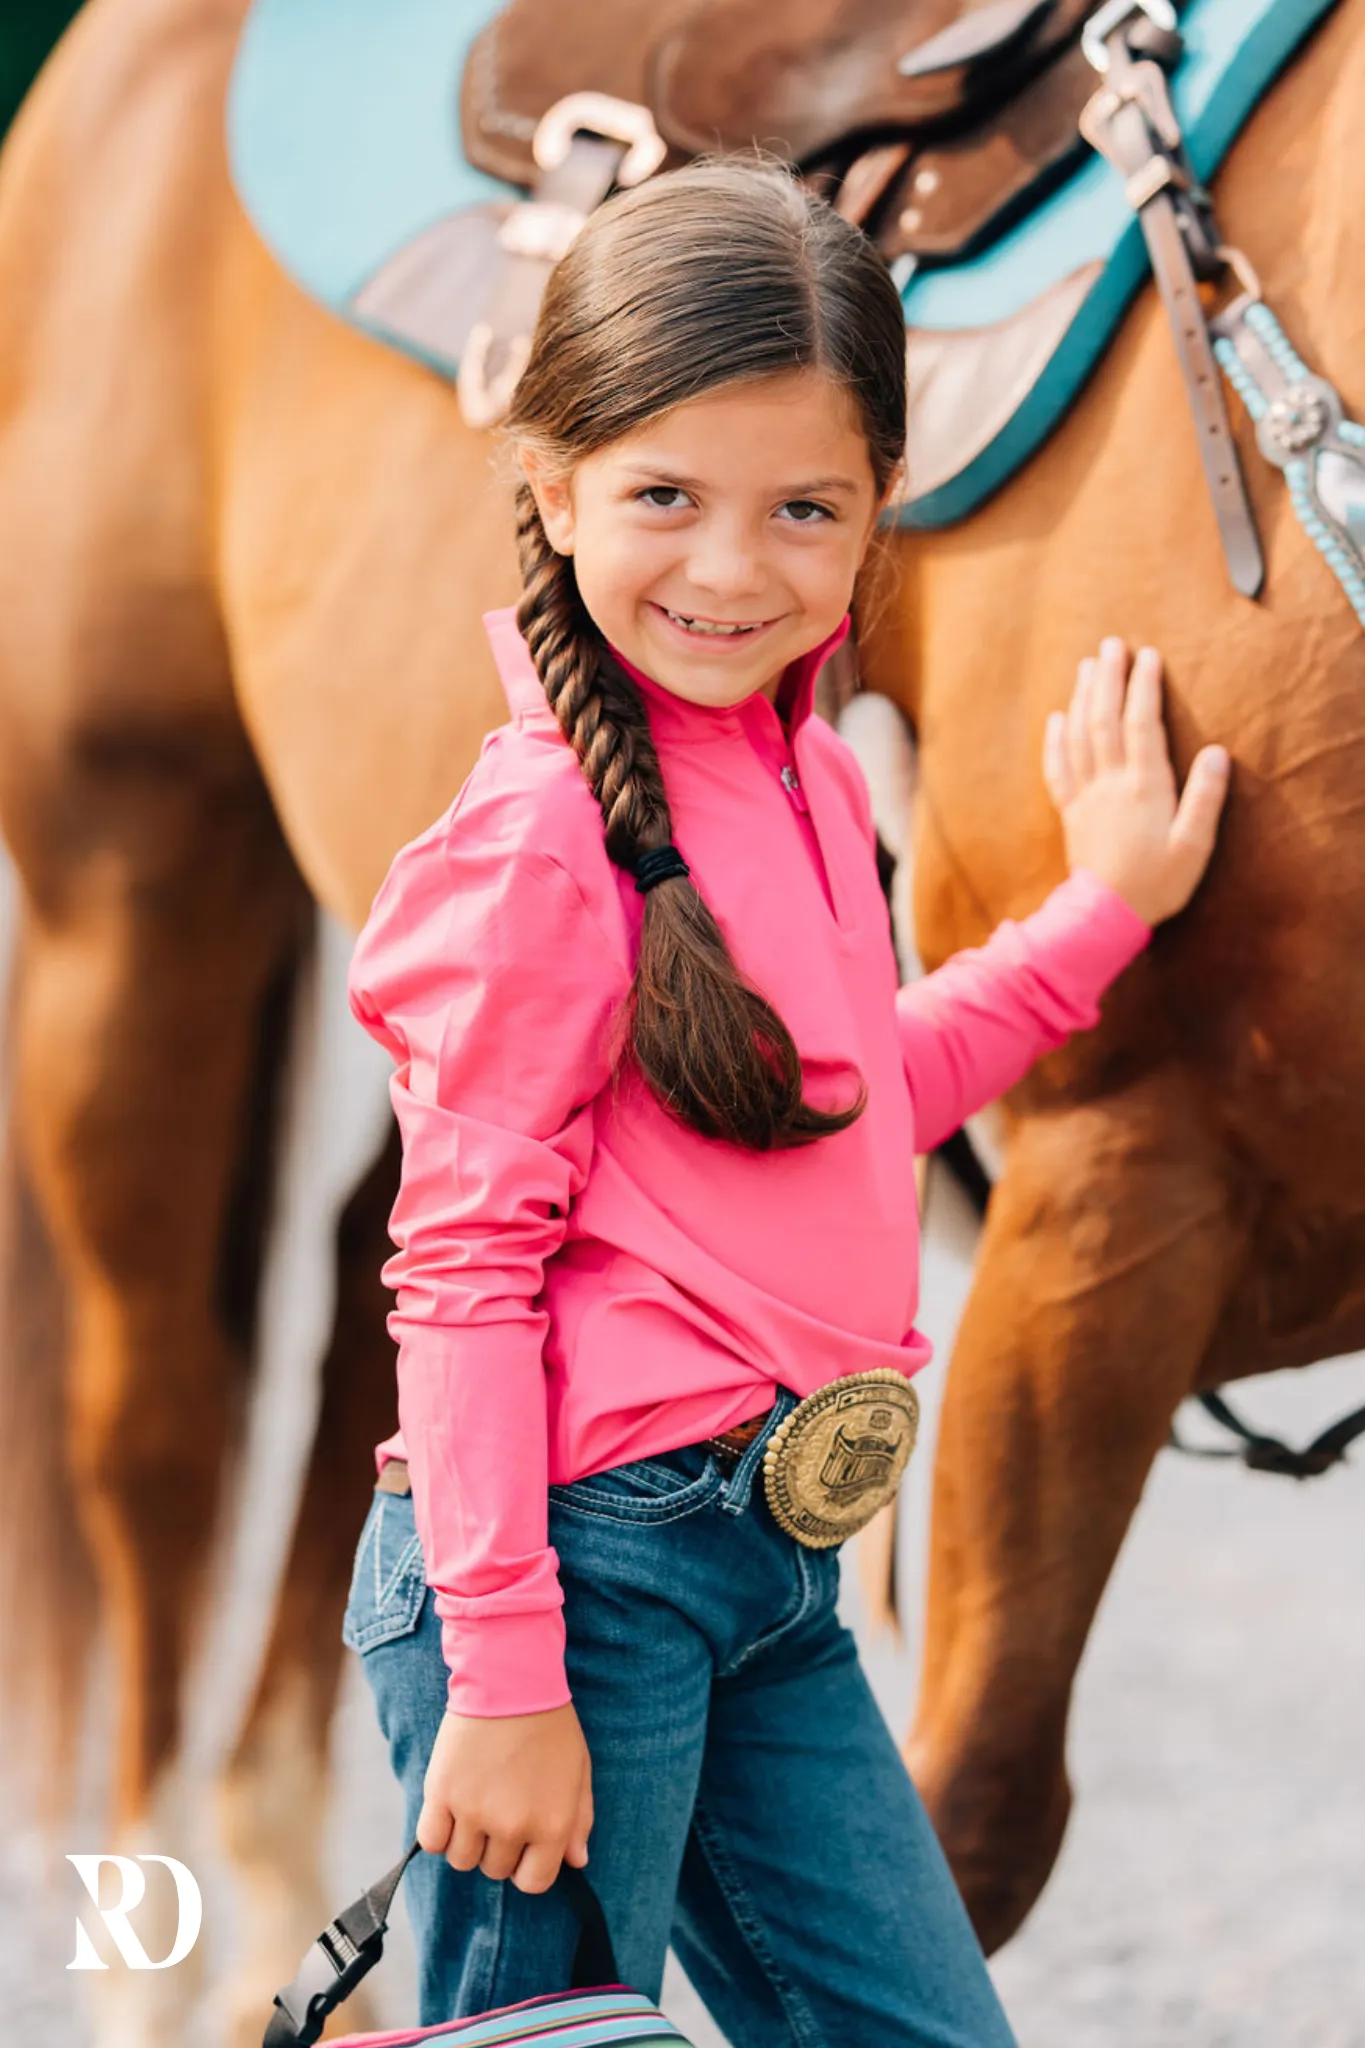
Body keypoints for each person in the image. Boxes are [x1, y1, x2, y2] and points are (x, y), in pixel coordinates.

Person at [341, 159, 1230, 2045]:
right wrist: (504, 1678)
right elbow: (464, 1281)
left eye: (802, 508)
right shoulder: (535, 852)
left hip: (774, 1578)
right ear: (552, 480)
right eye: (665, 497)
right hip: (578, 1581)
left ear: (875, 512)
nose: (731, 569)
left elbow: (857, 1094)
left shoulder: (812, 781)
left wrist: (1104, 912)